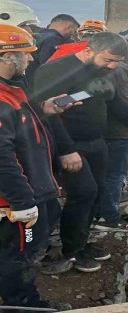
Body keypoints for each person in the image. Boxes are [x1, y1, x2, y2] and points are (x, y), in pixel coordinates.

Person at [32, 32, 128, 272]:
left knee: (98, 193)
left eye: (117, 61)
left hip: (97, 142)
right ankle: (72, 251)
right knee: (84, 192)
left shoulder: (106, 72)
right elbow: (46, 114)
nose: (114, 66)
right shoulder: (56, 71)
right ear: (88, 51)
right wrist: (66, 150)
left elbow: (114, 104)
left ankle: (82, 242)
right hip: (69, 145)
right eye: (108, 60)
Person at [0, 25, 75, 311]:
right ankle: (23, 305)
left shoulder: (14, 88)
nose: (31, 59)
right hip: (16, 199)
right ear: (8, 57)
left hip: (32, 188)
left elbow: (19, 127)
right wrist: (22, 201)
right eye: (26, 54)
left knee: (20, 251)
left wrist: (44, 108)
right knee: (18, 254)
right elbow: (2, 158)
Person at [95, 29, 128, 231]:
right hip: (118, 132)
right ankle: (109, 218)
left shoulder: (116, 68)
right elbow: (122, 107)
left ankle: (100, 213)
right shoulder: (121, 70)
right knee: (115, 175)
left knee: (107, 174)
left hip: (109, 129)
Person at [26, 13, 80, 78]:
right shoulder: (54, 40)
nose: (73, 35)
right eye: (73, 31)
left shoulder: (35, 36)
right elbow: (49, 67)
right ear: (68, 27)